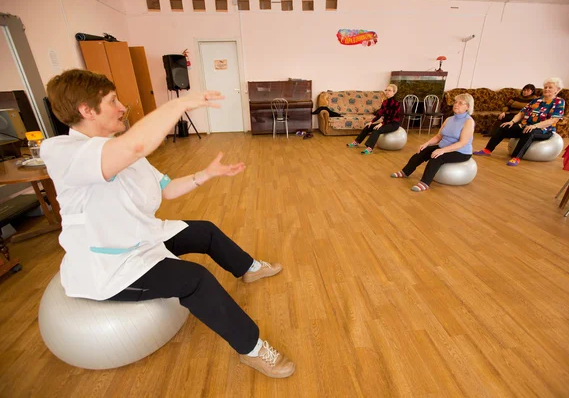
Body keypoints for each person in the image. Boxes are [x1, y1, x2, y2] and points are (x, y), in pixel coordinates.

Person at [40, 69, 295, 378]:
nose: (122, 107)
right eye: (112, 101)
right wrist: (179, 105)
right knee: (196, 280)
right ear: (86, 110)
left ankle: (249, 269)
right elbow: (134, 147)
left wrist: (206, 175)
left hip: (141, 238)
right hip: (112, 265)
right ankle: (253, 349)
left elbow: (168, 188)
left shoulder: (118, 146)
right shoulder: (63, 152)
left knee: (204, 231)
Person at [390, 93, 475, 192]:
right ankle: (405, 172)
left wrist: (442, 150)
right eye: (455, 102)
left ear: (467, 107)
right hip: (443, 147)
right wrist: (426, 144)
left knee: (436, 158)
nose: (456, 105)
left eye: (460, 103)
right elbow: (439, 136)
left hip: (460, 152)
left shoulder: (468, 122)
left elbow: (462, 143)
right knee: (422, 152)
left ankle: (425, 183)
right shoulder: (449, 119)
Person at [473, 77, 565, 166]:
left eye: (550, 87)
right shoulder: (537, 100)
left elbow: (553, 120)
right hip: (526, 125)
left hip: (544, 129)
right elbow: (521, 113)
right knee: (504, 126)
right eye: (545, 87)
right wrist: (512, 122)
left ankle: (516, 157)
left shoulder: (559, 102)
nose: (547, 89)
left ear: (557, 90)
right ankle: (487, 150)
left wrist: (535, 126)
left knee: (529, 131)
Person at [346, 84, 401, 155]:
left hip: (393, 124)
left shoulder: (396, 103)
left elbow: (391, 116)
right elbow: (379, 113)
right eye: (386, 90)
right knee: (368, 127)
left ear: (394, 92)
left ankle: (370, 148)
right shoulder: (385, 102)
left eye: (389, 90)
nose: (387, 92)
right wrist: (371, 122)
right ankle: (356, 142)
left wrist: (381, 124)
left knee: (376, 129)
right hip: (385, 122)